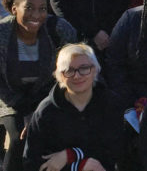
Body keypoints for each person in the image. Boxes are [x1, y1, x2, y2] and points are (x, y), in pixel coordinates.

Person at [0, 0, 77, 171]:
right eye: (29, 8)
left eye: (42, 9)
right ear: (14, 9)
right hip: (9, 97)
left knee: (51, 133)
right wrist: (22, 107)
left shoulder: (59, 30)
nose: (36, 15)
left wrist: (43, 107)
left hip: (49, 95)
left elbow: (71, 70)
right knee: (19, 137)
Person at [23, 43, 125, 171]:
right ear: (60, 76)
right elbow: (32, 161)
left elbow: (117, 150)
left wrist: (72, 154)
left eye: (84, 68)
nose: (77, 76)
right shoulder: (46, 111)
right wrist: (76, 166)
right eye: (69, 70)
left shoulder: (111, 104)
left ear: (95, 70)